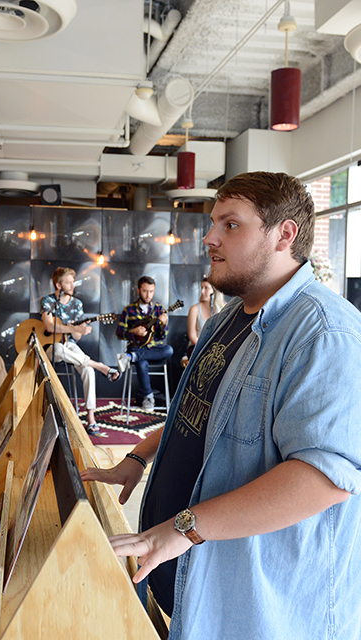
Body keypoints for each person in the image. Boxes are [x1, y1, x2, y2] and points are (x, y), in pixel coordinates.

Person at [82, 171, 361, 640]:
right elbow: (200, 418)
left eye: (230, 225)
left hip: (261, 612)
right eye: (214, 224)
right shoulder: (230, 317)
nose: (209, 238)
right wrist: (138, 456)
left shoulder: (324, 332)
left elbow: (324, 479)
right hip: (194, 592)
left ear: (284, 235)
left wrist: (184, 527)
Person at [40, 267, 120, 436]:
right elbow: (48, 325)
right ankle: (100, 366)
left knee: (88, 370)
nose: (72, 285)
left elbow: (75, 337)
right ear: (58, 285)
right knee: (59, 348)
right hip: (50, 348)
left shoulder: (77, 304)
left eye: (72, 282)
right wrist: (69, 327)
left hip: (69, 346)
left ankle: (91, 418)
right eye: (68, 282)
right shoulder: (47, 301)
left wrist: (80, 330)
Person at [115, 276, 174, 411]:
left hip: (153, 349)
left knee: (169, 350)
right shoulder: (129, 310)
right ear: (138, 290)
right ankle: (148, 398)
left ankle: (131, 358)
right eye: (145, 291)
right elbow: (119, 333)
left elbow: (161, 336)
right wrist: (133, 331)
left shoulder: (160, 309)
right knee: (142, 363)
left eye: (151, 291)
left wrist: (163, 324)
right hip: (136, 347)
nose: (148, 295)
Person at [184, 276, 225, 359]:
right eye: (201, 288)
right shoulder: (194, 309)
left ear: (214, 291)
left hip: (216, 349)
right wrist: (207, 348)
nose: (202, 291)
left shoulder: (224, 308)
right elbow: (192, 337)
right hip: (197, 347)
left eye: (206, 288)